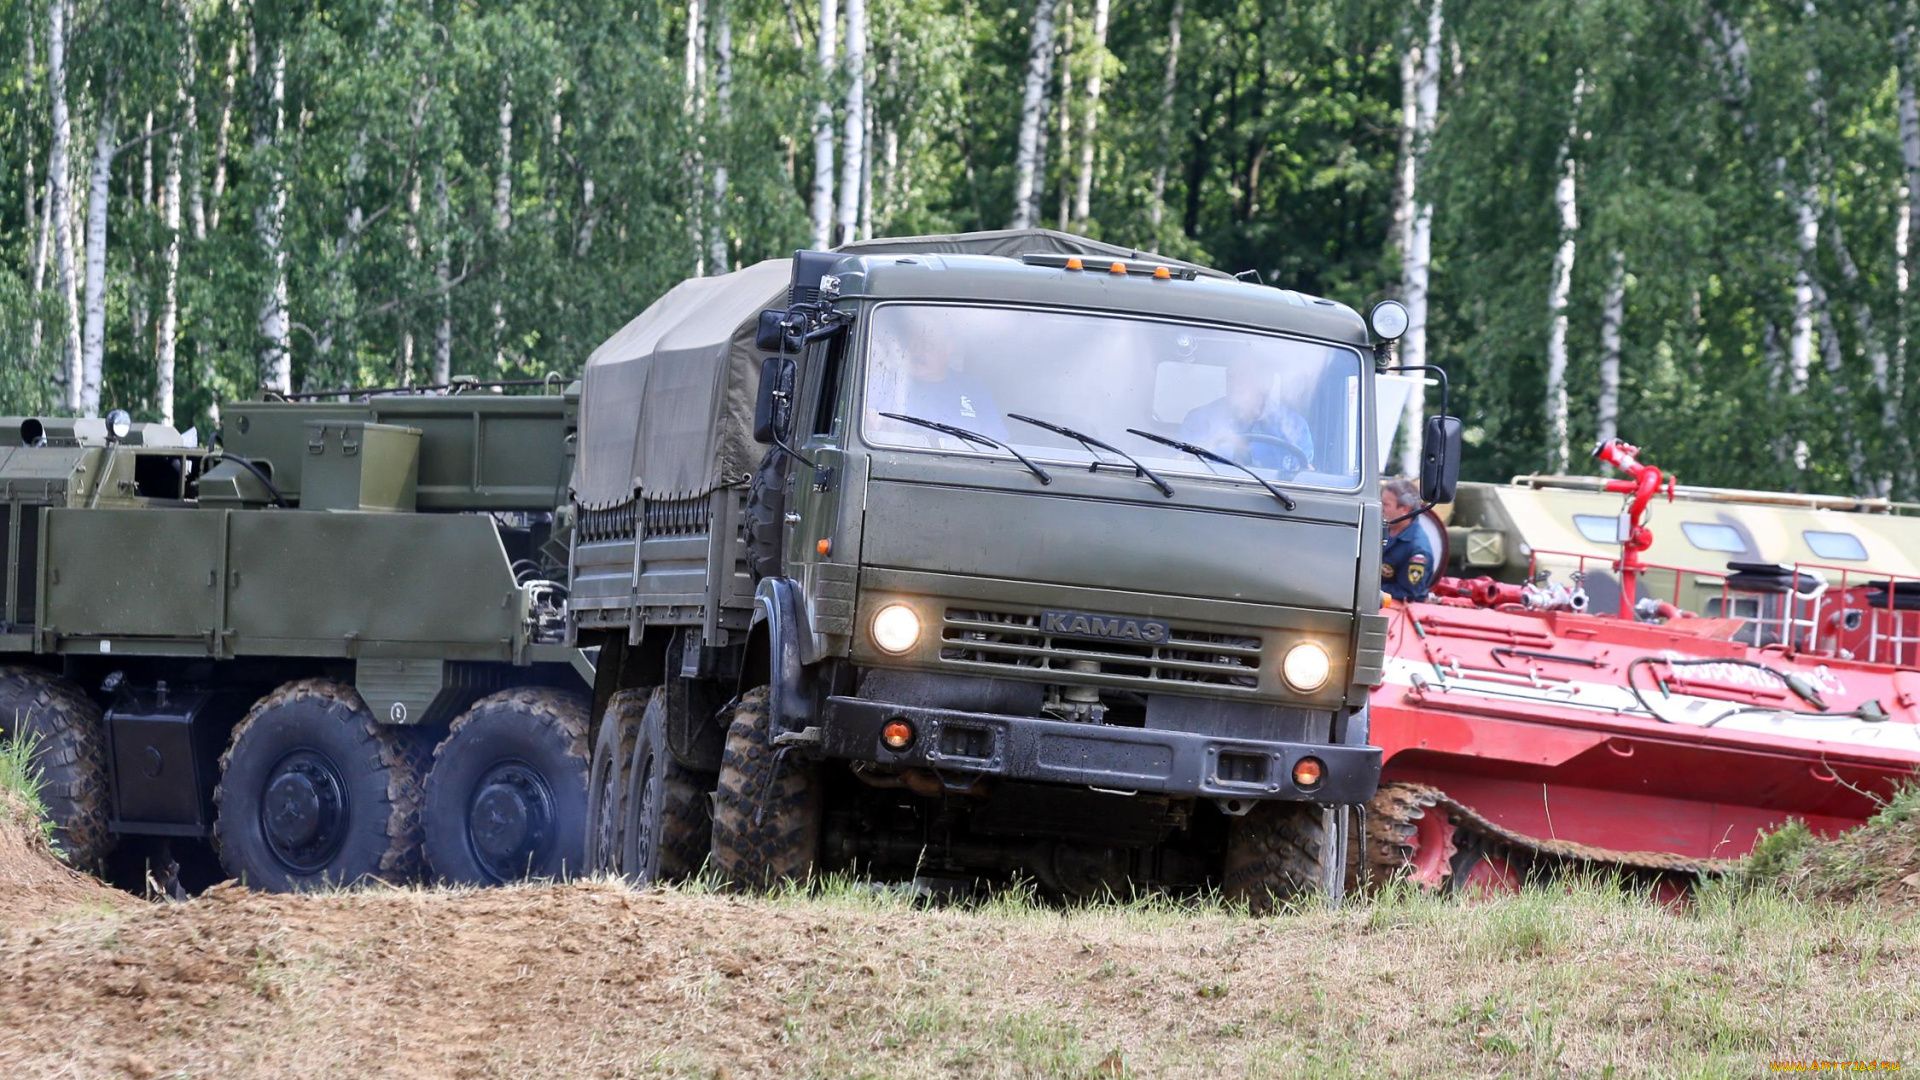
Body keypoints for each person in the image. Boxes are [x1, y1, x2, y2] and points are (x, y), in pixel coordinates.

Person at [1178, 351, 1313, 473]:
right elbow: (1183, 466)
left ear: (1267, 382)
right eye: (1231, 375)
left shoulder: (1295, 427)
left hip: (1273, 498)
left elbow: (1302, 476)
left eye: (1244, 375)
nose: (1234, 382)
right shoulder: (1199, 420)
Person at [876, 327, 1008, 441]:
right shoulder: (883, 382)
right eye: (913, 345)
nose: (917, 353)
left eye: (927, 346)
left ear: (949, 348)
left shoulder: (974, 390)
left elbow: (996, 445)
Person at [1380, 477, 1434, 603]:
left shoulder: (1417, 549)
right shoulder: (1383, 528)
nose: (1380, 508)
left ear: (1405, 510)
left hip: (1395, 607)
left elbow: (1408, 592)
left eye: (1386, 505)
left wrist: (1366, 590)